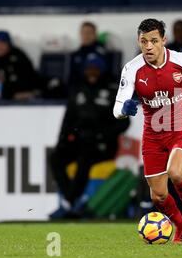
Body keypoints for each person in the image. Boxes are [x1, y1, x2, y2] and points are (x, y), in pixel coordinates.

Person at [113, 19, 182, 243]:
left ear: (164, 40)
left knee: (176, 173)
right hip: (153, 136)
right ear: (139, 41)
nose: (149, 47)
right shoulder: (132, 69)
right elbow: (117, 108)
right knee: (158, 195)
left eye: (154, 41)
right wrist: (124, 109)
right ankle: (180, 225)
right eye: (144, 41)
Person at [50, 53, 129, 218]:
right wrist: (62, 141)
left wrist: (102, 135)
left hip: (102, 145)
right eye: (89, 69)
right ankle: (69, 199)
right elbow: (68, 120)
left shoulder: (112, 91)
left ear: (101, 70)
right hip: (79, 141)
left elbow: (123, 122)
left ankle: (70, 202)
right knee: (56, 158)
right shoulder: (78, 90)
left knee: (84, 159)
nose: (92, 72)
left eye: (95, 69)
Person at [0, 30, 40, 101]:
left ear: (9, 45)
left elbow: (27, 81)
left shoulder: (18, 57)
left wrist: (5, 94)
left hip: (15, 100)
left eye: (3, 43)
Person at [70, 21, 107, 91]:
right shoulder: (75, 54)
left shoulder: (101, 52)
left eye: (89, 33)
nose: (86, 35)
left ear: (95, 34)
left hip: (96, 89)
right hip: (77, 90)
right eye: (84, 33)